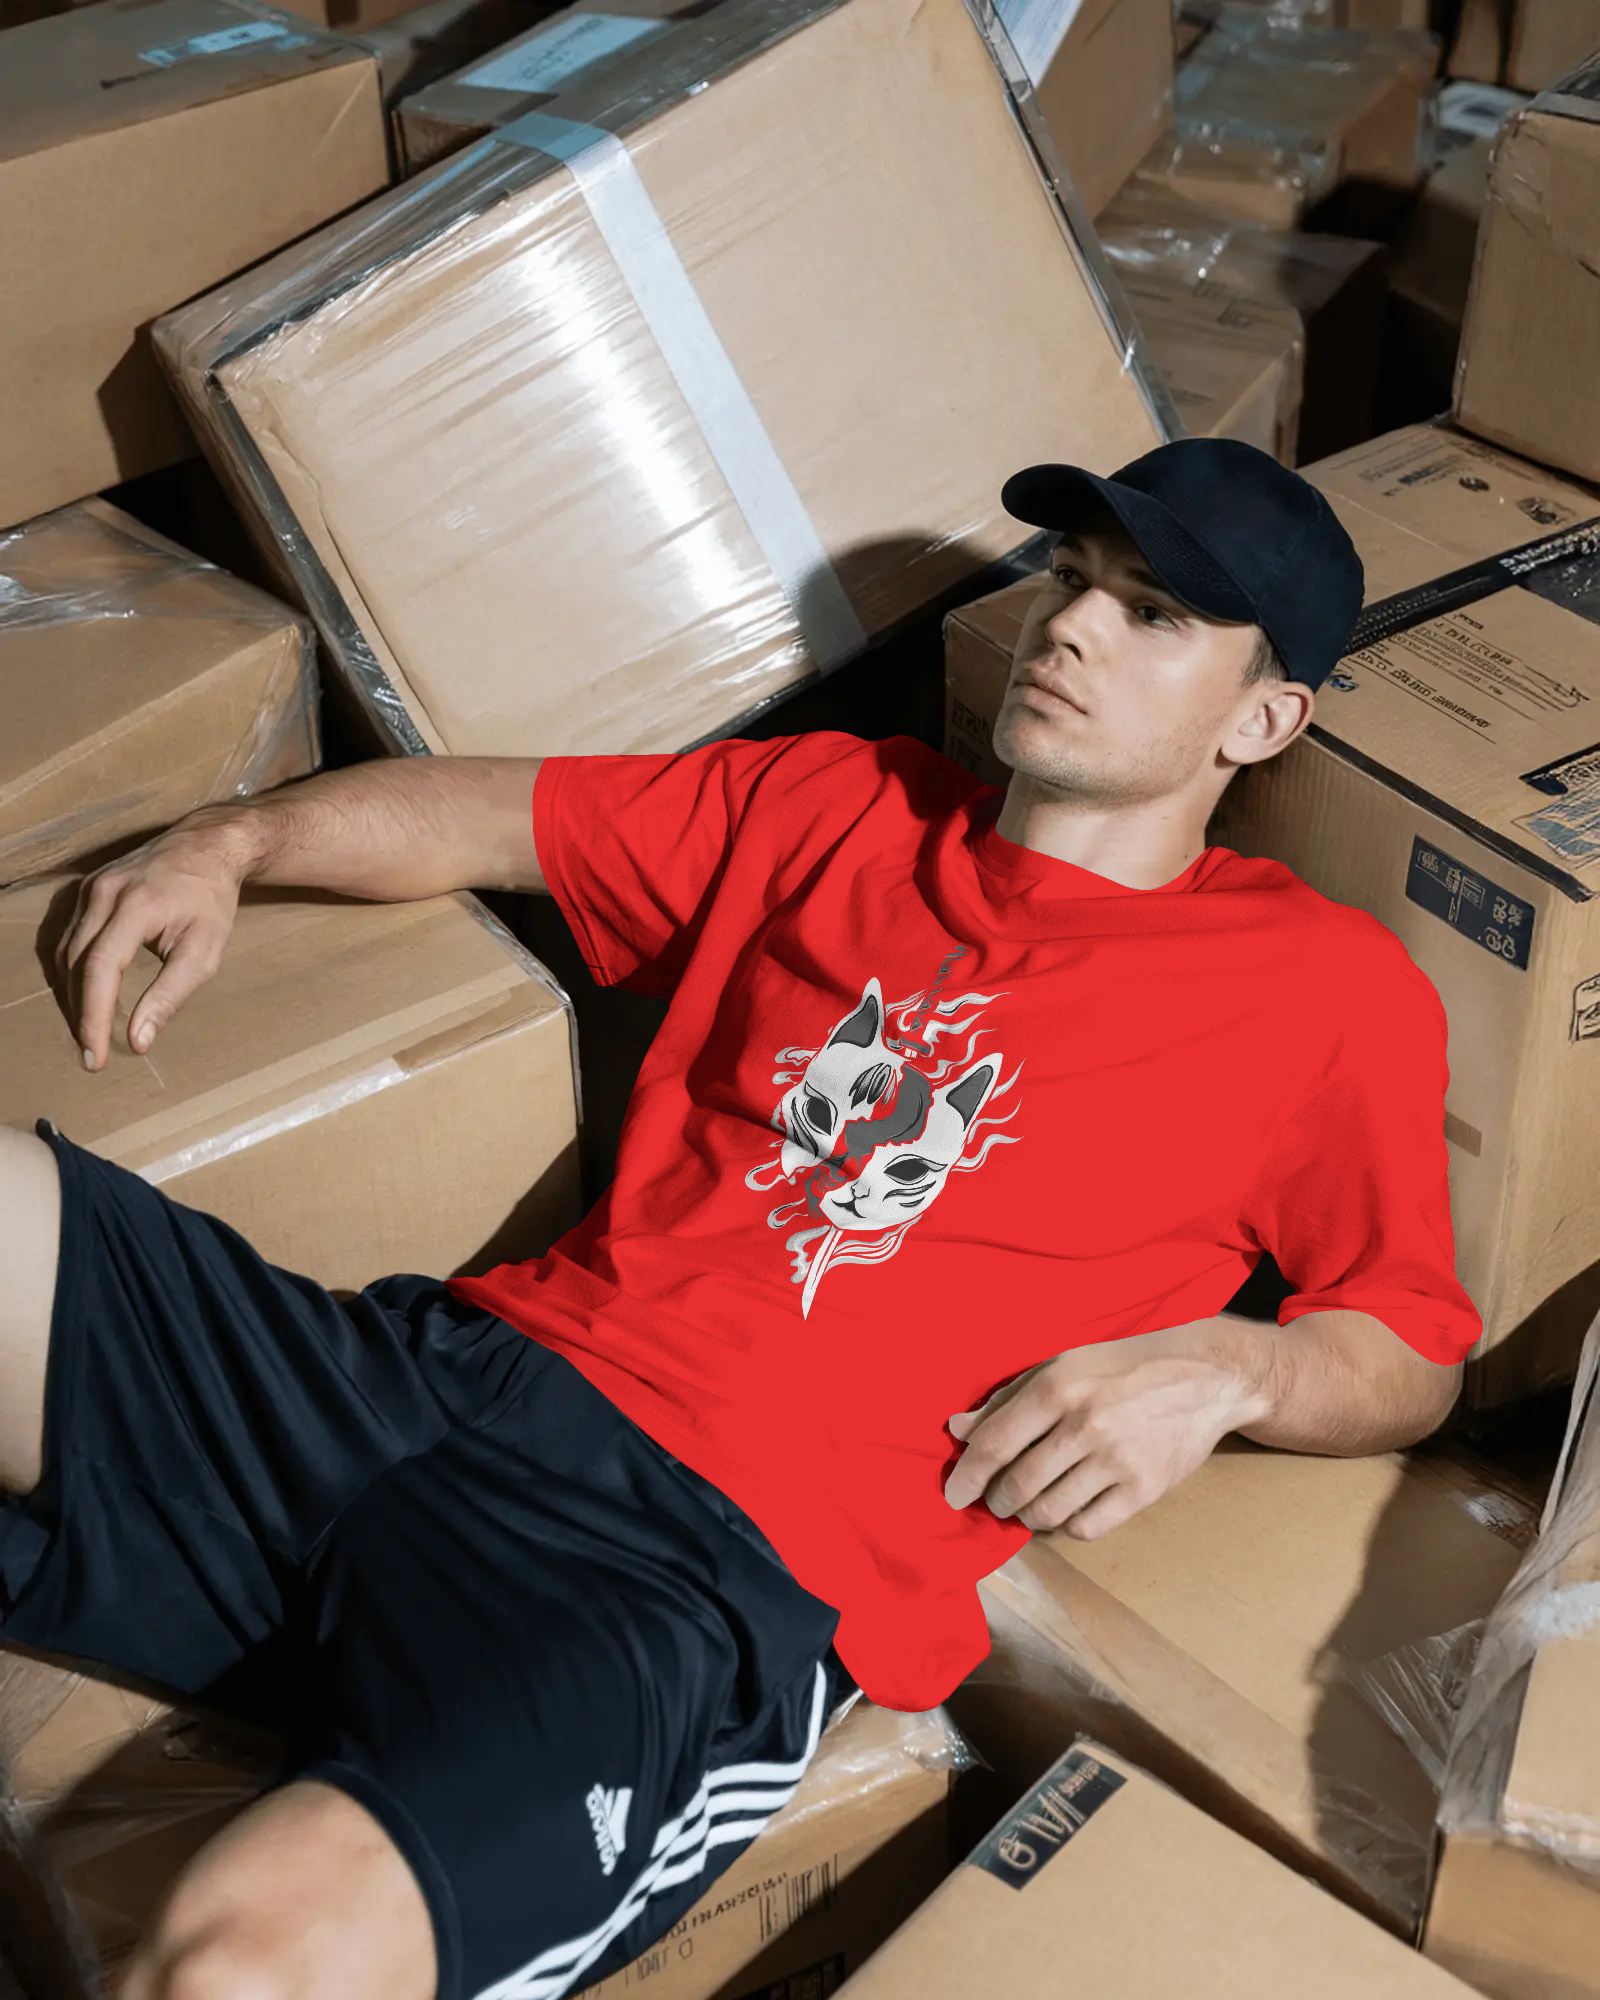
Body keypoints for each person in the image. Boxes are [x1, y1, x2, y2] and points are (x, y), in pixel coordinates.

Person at [0, 440, 1477, 2000]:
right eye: (1071, 581)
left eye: (1154, 615)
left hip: (689, 1569)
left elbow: (1412, 1351)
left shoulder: (1322, 995)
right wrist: (235, 842)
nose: (1072, 629)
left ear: (1263, 719)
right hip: (433, 1376)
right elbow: (486, 820)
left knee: (242, 1961)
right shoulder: (845, 801)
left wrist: (1227, 1370)